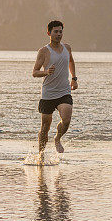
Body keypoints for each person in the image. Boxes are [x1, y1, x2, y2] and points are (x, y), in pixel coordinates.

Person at [32, 20, 77, 153]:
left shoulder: (67, 48)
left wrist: (74, 78)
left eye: (60, 31)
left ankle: (57, 138)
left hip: (64, 92)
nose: (58, 34)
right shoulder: (44, 51)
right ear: (49, 33)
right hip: (48, 93)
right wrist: (46, 72)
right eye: (55, 32)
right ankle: (41, 155)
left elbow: (71, 61)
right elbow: (34, 72)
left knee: (67, 119)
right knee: (45, 127)